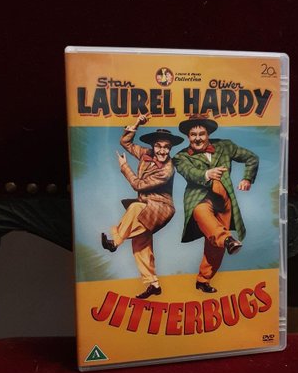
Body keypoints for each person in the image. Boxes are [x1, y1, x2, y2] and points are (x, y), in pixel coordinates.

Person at [173, 115, 259, 293]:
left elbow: (252, 158)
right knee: (205, 217)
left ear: (208, 134)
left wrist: (247, 179)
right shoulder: (180, 157)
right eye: (193, 134)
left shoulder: (225, 146)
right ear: (188, 136)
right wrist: (207, 174)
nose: (197, 138)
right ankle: (227, 239)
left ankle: (203, 280)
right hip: (199, 198)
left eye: (201, 134)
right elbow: (189, 173)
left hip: (224, 200)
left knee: (214, 245)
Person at [101, 115, 184, 299]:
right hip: (147, 206)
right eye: (159, 146)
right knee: (140, 244)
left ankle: (115, 242)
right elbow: (125, 142)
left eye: (166, 147)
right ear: (153, 146)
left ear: (170, 148)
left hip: (161, 208)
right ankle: (153, 284)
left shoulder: (167, 170)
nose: (162, 151)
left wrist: (124, 167)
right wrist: (137, 123)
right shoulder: (146, 154)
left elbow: (138, 185)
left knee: (135, 208)